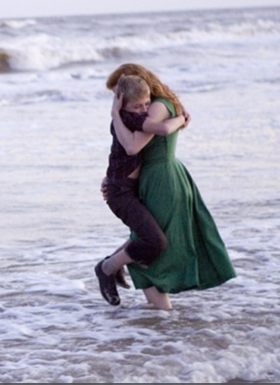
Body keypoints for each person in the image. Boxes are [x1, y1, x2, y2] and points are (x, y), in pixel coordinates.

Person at [103, 63, 236, 310]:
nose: (118, 101)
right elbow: (128, 153)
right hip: (159, 177)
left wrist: (115, 115)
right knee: (151, 238)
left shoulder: (155, 108)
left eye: (120, 94)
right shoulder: (158, 105)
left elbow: (134, 147)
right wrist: (114, 178)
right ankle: (159, 313)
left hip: (160, 180)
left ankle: (116, 271)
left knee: (153, 241)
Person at [95, 75, 189, 306]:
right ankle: (107, 268)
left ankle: (124, 262)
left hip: (129, 188)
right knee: (154, 241)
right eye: (137, 106)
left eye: (147, 104)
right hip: (120, 192)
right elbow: (163, 130)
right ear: (122, 103)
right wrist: (182, 118)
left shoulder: (130, 115)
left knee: (150, 237)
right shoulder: (130, 118)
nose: (143, 110)